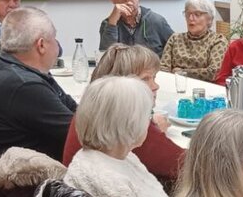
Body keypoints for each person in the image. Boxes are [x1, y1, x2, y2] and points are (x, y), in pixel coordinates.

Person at [63, 76, 172, 197]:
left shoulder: (123, 157)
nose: (150, 123)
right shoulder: (105, 179)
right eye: (148, 115)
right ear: (128, 122)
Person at [0, 8, 76, 166]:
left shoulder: (17, 69)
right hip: (14, 185)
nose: (57, 46)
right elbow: (79, 135)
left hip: (20, 173)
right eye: (54, 38)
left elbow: (73, 110)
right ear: (41, 45)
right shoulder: (24, 85)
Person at [63, 44, 184, 185]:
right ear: (121, 83)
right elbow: (187, 165)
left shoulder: (91, 111)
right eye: (145, 79)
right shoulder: (127, 122)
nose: (155, 86)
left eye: (154, 78)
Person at [98, 0, 174, 56]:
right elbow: (107, 58)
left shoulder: (156, 21)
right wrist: (112, 23)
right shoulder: (107, 24)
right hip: (122, 68)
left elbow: (176, 48)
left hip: (153, 68)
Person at [159, 0, 228, 82]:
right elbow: (163, 69)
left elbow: (214, 72)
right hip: (176, 86)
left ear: (209, 19)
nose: (191, 18)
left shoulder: (218, 40)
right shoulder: (175, 38)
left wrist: (182, 72)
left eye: (197, 14)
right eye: (188, 14)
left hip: (206, 90)